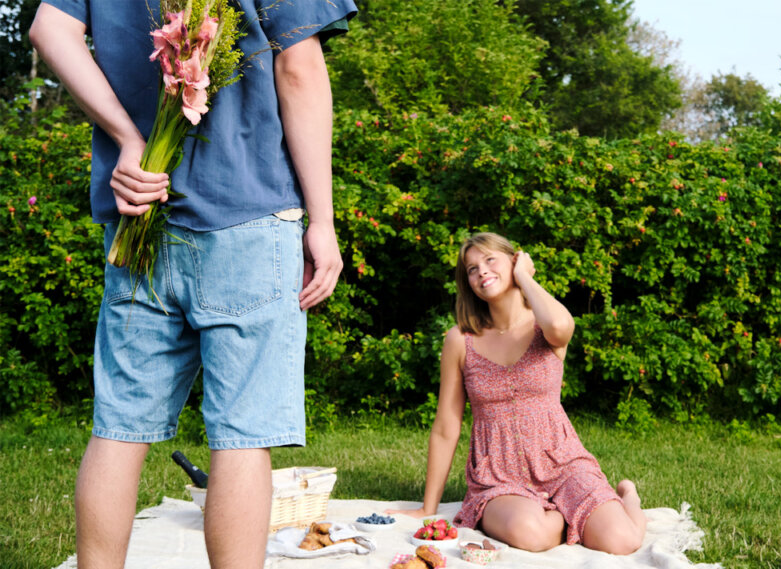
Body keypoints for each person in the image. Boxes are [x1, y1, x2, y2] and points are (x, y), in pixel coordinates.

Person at [29, 1, 356, 567]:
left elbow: (48, 28)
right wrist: (322, 222)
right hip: (250, 214)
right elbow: (298, 67)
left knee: (119, 429)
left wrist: (128, 139)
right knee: (241, 438)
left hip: (139, 214)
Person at [389, 232, 648, 554]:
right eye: (471, 269)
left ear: (514, 260)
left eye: (489, 260)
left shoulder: (545, 327)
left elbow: (561, 325)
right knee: (531, 535)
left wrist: (524, 275)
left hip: (563, 462)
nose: (481, 271)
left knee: (622, 541)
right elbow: (446, 427)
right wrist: (428, 507)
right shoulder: (460, 339)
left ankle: (627, 497)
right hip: (499, 476)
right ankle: (570, 516)